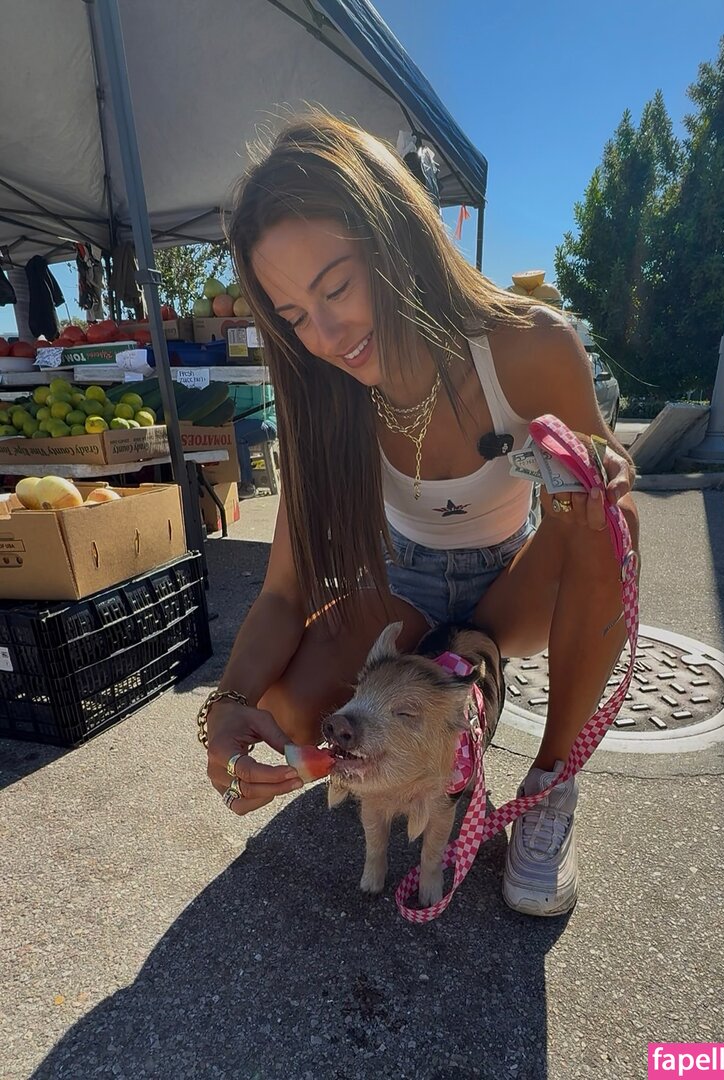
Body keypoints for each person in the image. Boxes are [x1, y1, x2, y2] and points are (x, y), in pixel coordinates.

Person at [199, 113, 639, 917]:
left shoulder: (529, 344)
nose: (325, 335)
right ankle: (422, 737)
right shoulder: (319, 395)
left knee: (612, 527)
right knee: (287, 716)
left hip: (509, 593)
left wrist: (597, 474)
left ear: (395, 237)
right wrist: (225, 708)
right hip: (399, 590)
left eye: (336, 288)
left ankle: (548, 788)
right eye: (293, 315)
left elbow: (600, 489)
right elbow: (283, 593)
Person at [230, 382, 276, 498]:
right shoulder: (225, 377)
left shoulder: (257, 379)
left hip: (264, 422)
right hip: (235, 422)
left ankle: (247, 484)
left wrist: (234, 422)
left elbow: (261, 411)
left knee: (236, 433)